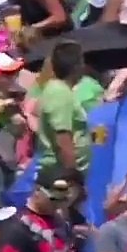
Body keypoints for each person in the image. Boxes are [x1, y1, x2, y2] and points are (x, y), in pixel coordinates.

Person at [33, 40, 91, 173]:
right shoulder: (60, 93)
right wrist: (73, 177)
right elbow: (62, 139)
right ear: (77, 66)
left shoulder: (61, 90)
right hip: (61, 176)